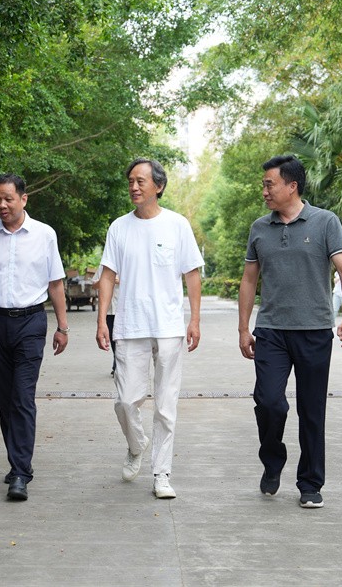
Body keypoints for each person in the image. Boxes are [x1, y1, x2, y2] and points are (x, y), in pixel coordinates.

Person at [238, 155, 342, 509]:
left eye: (269, 184)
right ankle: (272, 459)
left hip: (314, 330)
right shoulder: (260, 228)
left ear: (292, 186)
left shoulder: (325, 222)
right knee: (268, 402)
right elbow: (249, 280)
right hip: (271, 330)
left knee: (312, 410)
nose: (264, 191)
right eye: (263, 185)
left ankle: (310, 483)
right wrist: (243, 328)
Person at [95, 158, 204, 500]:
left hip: (169, 327)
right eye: (130, 180)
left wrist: (195, 319)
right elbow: (108, 276)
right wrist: (101, 319)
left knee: (166, 405)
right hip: (130, 325)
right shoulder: (119, 228)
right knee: (126, 402)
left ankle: (162, 474)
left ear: (159, 186)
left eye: (140, 181)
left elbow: (192, 274)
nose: (134, 186)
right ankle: (136, 444)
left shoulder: (177, 225)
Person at [0, 173, 69, 501]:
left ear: (24, 198)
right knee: (5, 397)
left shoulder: (44, 234)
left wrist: (63, 327)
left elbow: (55, 283)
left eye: (8, 198)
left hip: (31, 323)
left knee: (22, 396)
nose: (2, 205)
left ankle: (20, 472)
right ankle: (17, 460)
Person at [90, 265, 119, 376]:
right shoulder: (104, 267)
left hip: (124, 310)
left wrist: (119, 281)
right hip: (109, 311)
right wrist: (105, 280)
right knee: (112, 339)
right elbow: (94, 285)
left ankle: (118, 365)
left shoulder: (130, 264)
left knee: (122, 340)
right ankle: (117, 362)